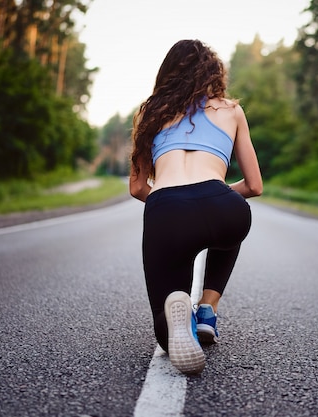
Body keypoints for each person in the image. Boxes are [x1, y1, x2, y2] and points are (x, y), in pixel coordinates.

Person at [129, 39, 263, 375]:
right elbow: (254, 186)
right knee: (228, 227)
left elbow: (136, 187)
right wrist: (216, 195)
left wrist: (170, 200)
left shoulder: (150, 112)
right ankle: (207, 308)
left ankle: (178, 312)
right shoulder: (231, 110)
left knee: (164, 324)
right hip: (223, 204)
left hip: (166, 207)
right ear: (212, 73)